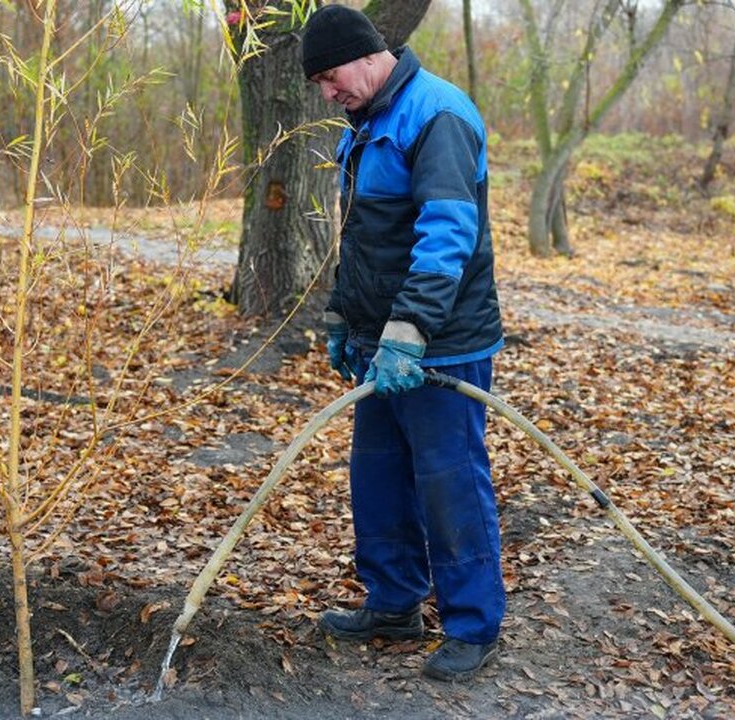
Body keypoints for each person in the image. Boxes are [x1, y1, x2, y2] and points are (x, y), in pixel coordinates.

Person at [300, 4, 506, 682]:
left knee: (450, 486)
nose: (328, 94)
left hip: (439, 346)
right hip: (381, 346)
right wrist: (342, 318)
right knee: (379, 480)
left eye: (331, 77)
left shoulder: (436, 115)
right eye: (321, 84)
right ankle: (393, 605)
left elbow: (448, 236)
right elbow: (362, 240)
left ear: (366, 55)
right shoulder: (363, 127)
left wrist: (409, 331)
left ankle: (474, 626)